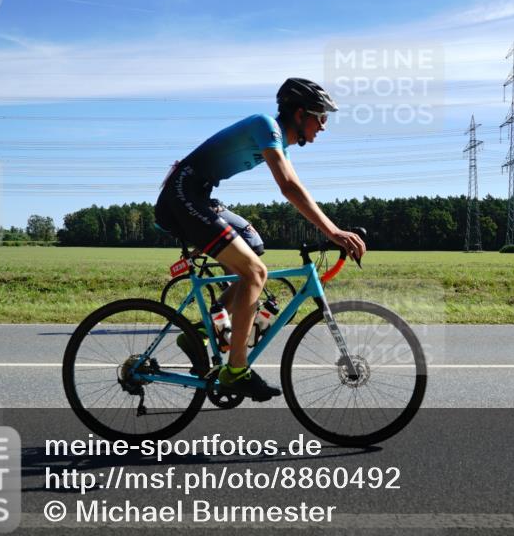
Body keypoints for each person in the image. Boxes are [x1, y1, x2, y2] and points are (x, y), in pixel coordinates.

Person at [154, 78, 367, 401]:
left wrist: (326, 229)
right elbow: (289, 187)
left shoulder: (278, 139)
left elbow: (295, 186)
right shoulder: (266, 126)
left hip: (199, 194)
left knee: (254, 246)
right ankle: (236, 371)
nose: (323, 126)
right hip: (183, 194)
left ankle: (201, 331)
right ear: (300, 113)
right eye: (321, 117)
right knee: (255, 272)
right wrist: (333, 232)